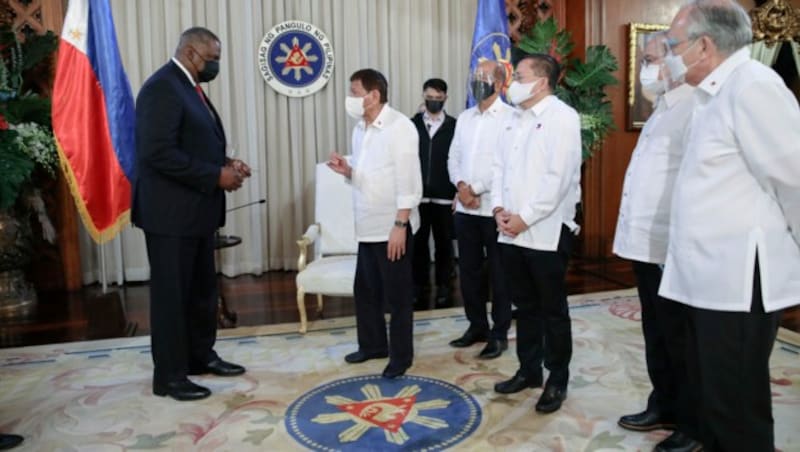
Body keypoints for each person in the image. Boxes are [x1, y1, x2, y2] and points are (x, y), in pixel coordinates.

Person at [659, 1, 800, 450]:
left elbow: (793, 177)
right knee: (711, 393)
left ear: (704, 45)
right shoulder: (711, 92)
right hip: (706, 275)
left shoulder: (753, 86)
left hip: (739, 278)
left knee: (735, 403)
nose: (668, 54)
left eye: (673, 44)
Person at [132, 27, 250, 401]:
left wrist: (227, 162)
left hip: (197, 213)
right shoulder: (161, 88)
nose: (215, 65)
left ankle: (200, 356)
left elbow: (195, 142)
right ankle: (168, 376)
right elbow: (158, 153)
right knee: (172, 297)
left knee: (202, 292)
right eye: (211, 59)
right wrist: (216, 175)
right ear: (189, 52)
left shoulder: (191, 88)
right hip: (170, 217)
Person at [611, 31, 701, 450]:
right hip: (646, 243)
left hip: (673, 245)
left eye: (652, 59)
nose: (647, 68)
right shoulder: (663, 107)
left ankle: (692, 422)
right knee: (656, 331)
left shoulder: (696, 109)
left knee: (681, 336)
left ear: (677, 59)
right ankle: (662, 402)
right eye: (644, 60)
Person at [491, 54, 582, 414]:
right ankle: (529, 371)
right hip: (510, 229)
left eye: (521, 75)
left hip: (545, 230)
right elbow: (499, 167)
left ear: (542, 82)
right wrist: (498, 209)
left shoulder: (563, 118)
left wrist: (524, 218)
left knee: (552, 310)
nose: (513, 81)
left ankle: (556, 379)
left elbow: (557, 180)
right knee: (524, 307)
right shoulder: (514, 118)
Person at [328, 69, 422, 379]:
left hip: (392, 226)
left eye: (355, 92)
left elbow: (409, 181)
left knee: (397, 295)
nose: (351, 98)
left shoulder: (400, 127)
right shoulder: (360, 128)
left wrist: (400, 225)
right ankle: (372, 345)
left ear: (374, 95)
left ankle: (400, 356)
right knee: (365, 290)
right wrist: (348, 170)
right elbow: (370, 175)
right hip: (366, 225)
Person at [446, 60, 515, 360]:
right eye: (474, 76)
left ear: (499, 84)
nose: (477, 82)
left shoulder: (511, 118)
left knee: (500, 275)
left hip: (493, 209)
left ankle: (499, 334)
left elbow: (506, 165)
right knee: (469, 273)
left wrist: (474, 189)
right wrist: (462, 186)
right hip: (465, 210)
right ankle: (476, 326)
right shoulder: (465, 118)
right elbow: (453, 157)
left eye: (483, 77)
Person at [410, 78, 457, 308]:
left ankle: (444, 288)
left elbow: (461, 159)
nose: (434, 102)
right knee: (418, 245)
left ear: (445, 98)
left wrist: (458, 190)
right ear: (423, 96)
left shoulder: (455, 126)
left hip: (445, 195)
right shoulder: (411, 124)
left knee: (444, 245)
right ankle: (418, 287)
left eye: (438, 99)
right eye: (430, 98)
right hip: (418, 196)